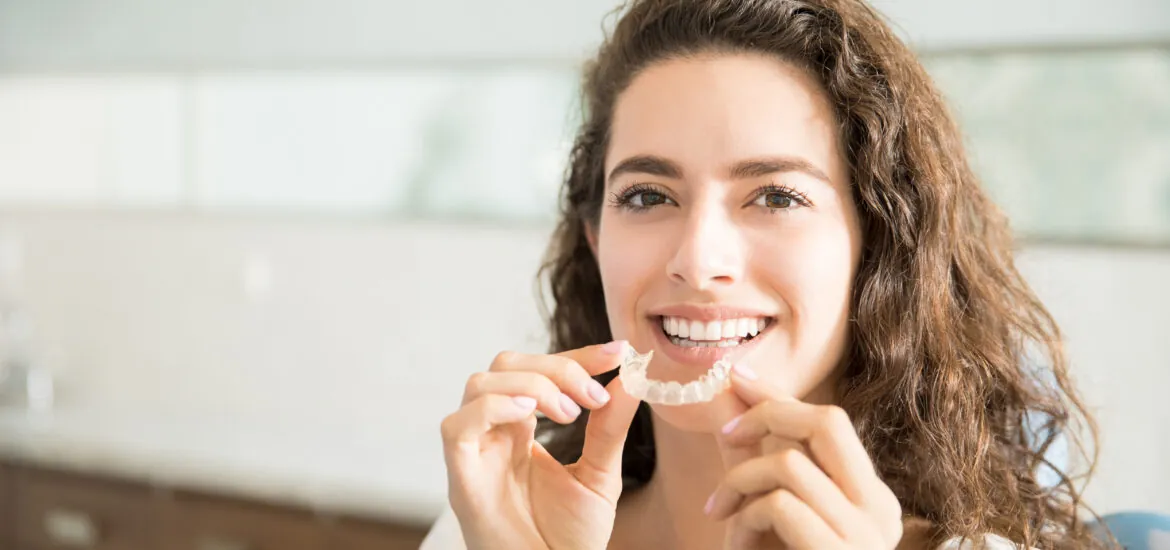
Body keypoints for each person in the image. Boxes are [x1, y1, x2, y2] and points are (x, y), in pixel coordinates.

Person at [423, 0, 1112, 548]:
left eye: (777, 197)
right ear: (596, 239)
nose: (698, 262)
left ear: (879, 247)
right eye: (648, 195)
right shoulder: (489, 527)